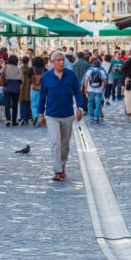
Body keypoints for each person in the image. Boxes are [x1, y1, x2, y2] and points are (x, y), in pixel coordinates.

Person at [38, 51, 84, 181]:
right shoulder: (47, 76)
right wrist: (41, 114)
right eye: (58, 60)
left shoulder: (71, 75)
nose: (61, 62)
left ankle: (62, 166)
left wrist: (80, 108)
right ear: (52, 62)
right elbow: (42, 96)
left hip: (68, 114)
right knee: (55, 143)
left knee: (65, 144)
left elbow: (78, 93)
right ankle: (57, 170)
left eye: (62, 60)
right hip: (52, 115)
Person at [0, 54, 23, 127]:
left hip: (7, 87)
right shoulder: (18, 69)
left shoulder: (5, 67)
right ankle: (14, 120)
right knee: (15, 105)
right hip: (16, 88)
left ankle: (8, 120)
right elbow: (22, 80)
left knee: (7, 104)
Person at [30, 56, 46, 126]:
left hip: (33, 88)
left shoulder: (32, 69)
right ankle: (39, 120)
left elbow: (28, 77)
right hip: (42, 89)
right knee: (41, 104)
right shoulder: (45, 70)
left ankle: (35, 115)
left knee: (34, 104)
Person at [19, 56, 33, 125]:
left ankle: (22, 118)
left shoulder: (20, 69)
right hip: (28, 88)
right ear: (28, 62)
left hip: (22, 88)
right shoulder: (30, 70)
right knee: (28, 105)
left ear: (22, 61)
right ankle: (26, 119)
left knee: (22, 104)